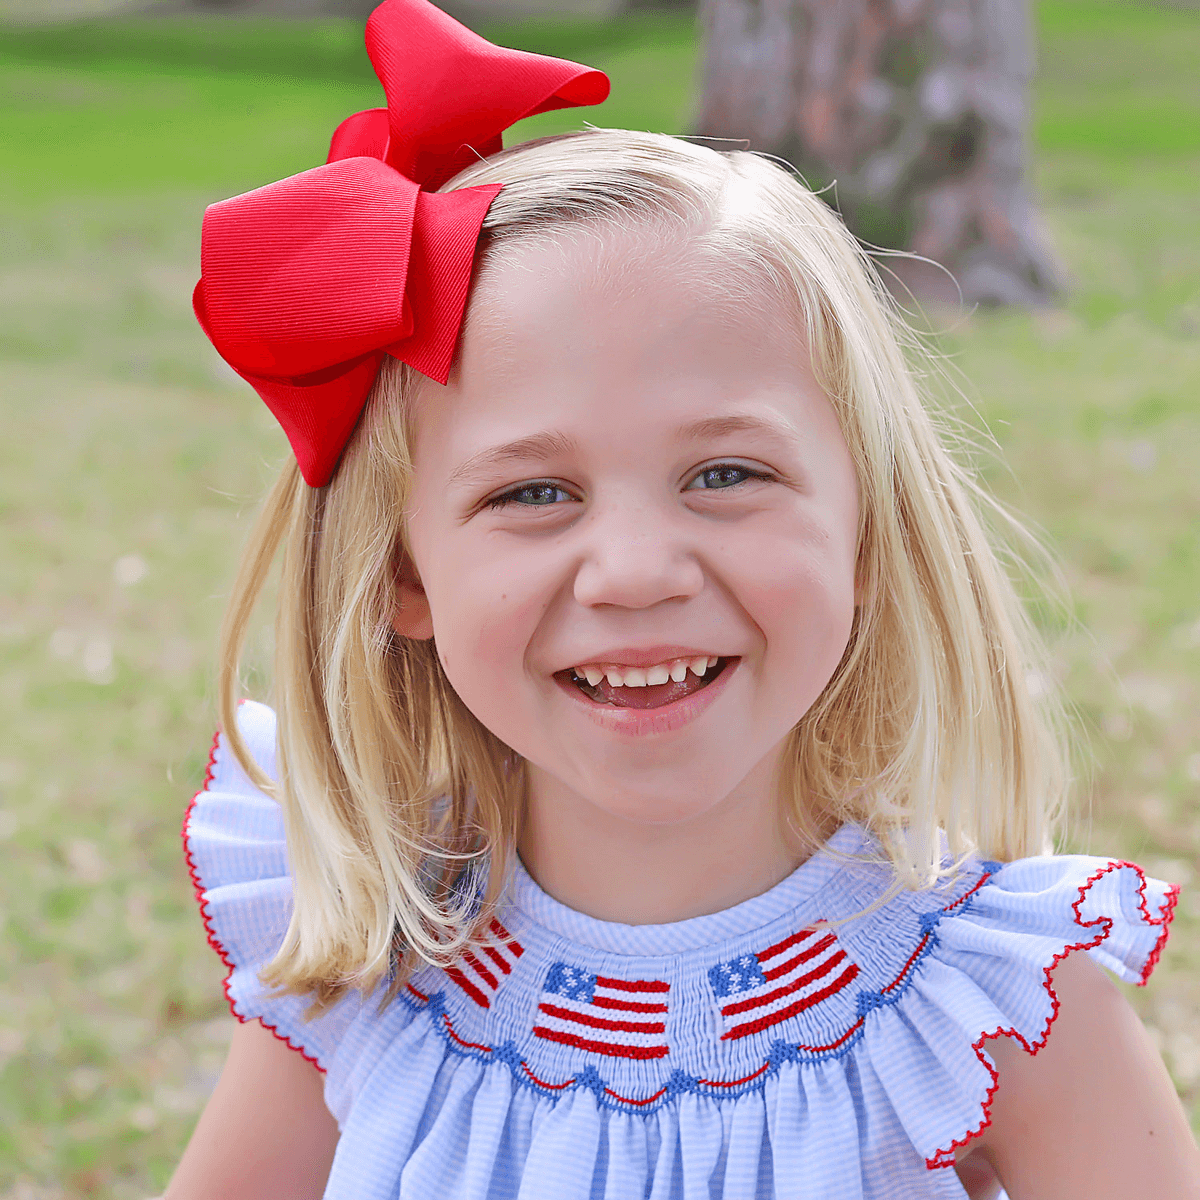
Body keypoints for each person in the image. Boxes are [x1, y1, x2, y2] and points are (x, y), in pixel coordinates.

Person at [166, 1, 1200, 1197]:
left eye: (727, 475)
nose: (639, 570)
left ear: (865, 529)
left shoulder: (1001, 1004)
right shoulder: (362, 974)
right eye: (535, 491)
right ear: (405, 575)